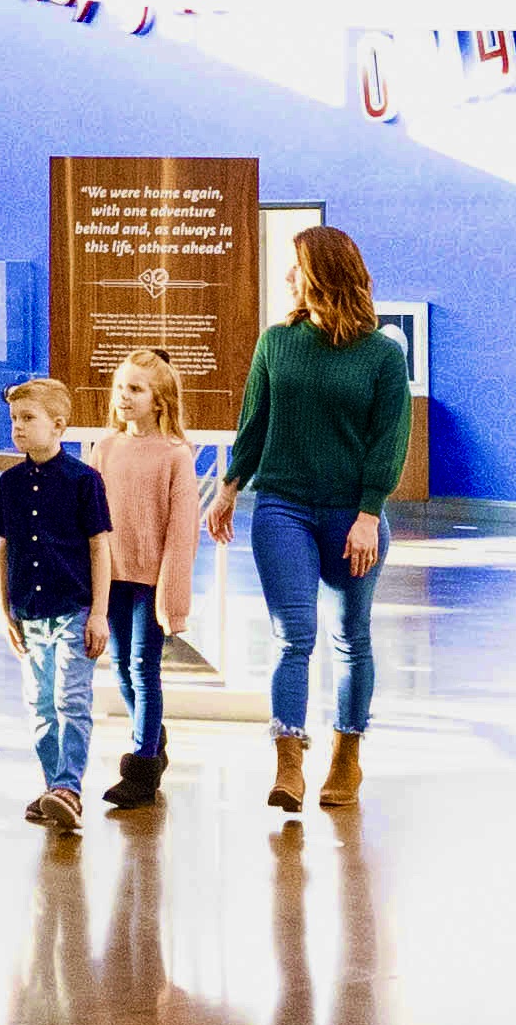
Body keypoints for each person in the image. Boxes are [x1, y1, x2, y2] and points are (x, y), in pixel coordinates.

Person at [222, 221, 414, 818]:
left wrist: (368, 513)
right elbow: (254, 424)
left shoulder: (383, 353)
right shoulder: (276, 342)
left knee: (351, 638)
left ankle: (346, 755)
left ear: (323, 274)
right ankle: (288, 765)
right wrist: (229, 488)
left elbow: (390, 439)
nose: (286, 279)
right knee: (293, 637)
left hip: (351, 513)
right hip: (282, 504)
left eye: (295, 268)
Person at [0, 380, 110, 832]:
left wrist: (99, 612)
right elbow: (4, 550)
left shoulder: (84, 481)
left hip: (74, 610)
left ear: (59, 425)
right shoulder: (10, 483)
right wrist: (5, 612)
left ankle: (69, 787)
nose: (18, 428)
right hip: (28, 614)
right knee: (39, 703)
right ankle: (52, 786)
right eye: (15, 420)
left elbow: (100, 547)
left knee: (70, 698)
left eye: (29, 419)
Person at [91, 347, 207, 814]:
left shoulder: (177, 455)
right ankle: (152, 734)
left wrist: (170, 596)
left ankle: (141, 764)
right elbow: (92, 519)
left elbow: (182, 532)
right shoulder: (106, 448)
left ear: (159, 400)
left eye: (135, 389)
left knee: (143, 667)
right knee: (120, 666)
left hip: (149, 582)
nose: (124, 397)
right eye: (121, 387)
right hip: (110, 577)